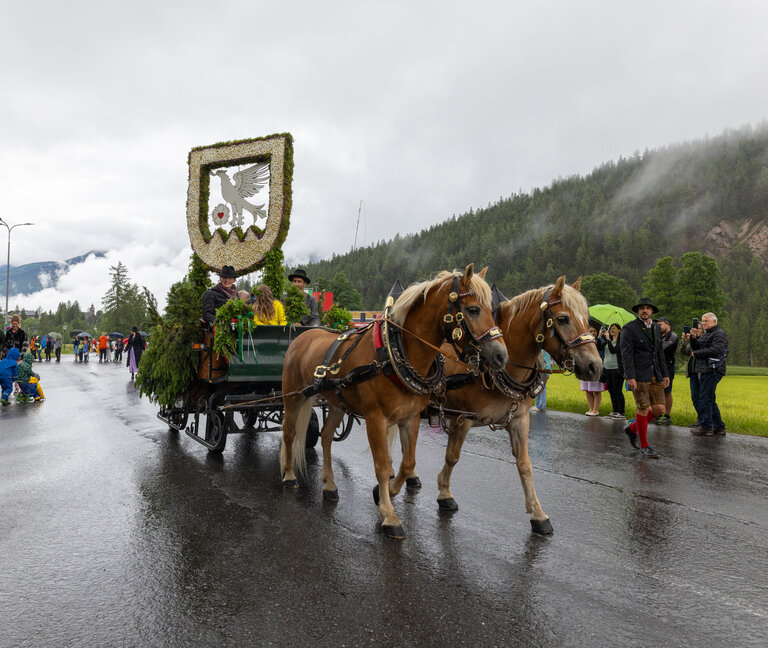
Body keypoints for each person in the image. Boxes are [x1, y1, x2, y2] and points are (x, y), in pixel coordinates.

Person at [620, 298, 669, 459]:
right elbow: (626, 355)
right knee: (642, 408)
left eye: (647, 308)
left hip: (656, 374)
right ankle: (645, 446)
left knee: (660, 409)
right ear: (638, 311)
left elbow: (659, 352)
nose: (644, 311)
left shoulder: (656, 327)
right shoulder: (629, 328)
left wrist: (665, 373)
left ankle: (632, 428)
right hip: (639, 375)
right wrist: (630, 376)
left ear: (652, 311)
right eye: (641, 308)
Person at [686, 312, 728, 436]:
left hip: (713, 369)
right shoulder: (707, 334)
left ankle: (706, 427)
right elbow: (696, 348)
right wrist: (693, 338)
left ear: (714, 321)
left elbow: (716, 350)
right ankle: (719, 427)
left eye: (706, 321)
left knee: (705, 398)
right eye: (702, 321)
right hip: (705, 369)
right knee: (709, 398)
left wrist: (697, 354)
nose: (703, 323)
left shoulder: (719, 334)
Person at [654, 317, 679, 426]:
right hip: (657, 367)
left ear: (667, 324)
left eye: (660, 324)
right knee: (657, 391)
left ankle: (667, 415)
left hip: (667, 367)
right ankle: (658, 414)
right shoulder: (658, 335)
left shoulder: (672, 336)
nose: (658, 327)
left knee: (667, 391)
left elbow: (662, 348)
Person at [580, 323, 606, 416]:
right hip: (585, 368)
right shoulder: (584, 341)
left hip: (596, 367)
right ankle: (591, 409)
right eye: (591, 331)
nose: (593, 333)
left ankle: (595, 410)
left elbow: (598, 347)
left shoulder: (601, 340)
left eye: (594, 331)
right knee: (588, 389)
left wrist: (599, 337)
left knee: (596, 390)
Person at [601, 323, 625, 419]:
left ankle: (621, 412)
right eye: (611, 328)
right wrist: (600, 336)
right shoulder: (608, 341)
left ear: (619, 330)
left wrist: (607, 339)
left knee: (617, 390)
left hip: (617, 369)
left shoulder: (621, 341)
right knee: (611, 390)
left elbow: (614, 350)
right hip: (607, 368)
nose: (611, 330)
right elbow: (599, 346)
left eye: (614, 328)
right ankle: (615, 411)